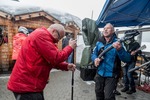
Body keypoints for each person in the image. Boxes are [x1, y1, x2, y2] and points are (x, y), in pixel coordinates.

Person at [7, 24, 77, 100]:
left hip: (31, 85)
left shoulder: (44, 37)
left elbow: (50, 60)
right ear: (54, 31)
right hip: (25, 86)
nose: (58, 40)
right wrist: (70, 47)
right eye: (59, 37)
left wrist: (66, 66)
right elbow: (55, 58)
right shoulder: (42, 36)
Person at [91, 23, 131, 100]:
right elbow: (93, 53)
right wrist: (95, 59)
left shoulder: (119, 43)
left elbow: (127, 59)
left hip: (111, 75)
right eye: (104, 28)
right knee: (98, 94)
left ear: (113, 31)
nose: (105, 30)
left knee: (109, 97)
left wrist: (120, 50)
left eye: (108, 28)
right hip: (100, 73)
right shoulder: (99, 42)